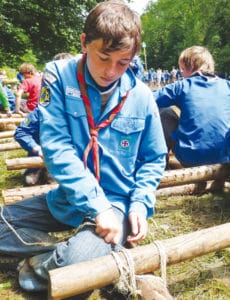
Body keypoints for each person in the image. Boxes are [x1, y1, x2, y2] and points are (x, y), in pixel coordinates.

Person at [0, 1, 167, 298]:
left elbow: (153, 158)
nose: (111, 71)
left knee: (76, 267)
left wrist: (140, 203)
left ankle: (46, 264)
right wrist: (95, 204)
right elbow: (56, 146)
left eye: (123, 62)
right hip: (68, 198)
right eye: (104, 57)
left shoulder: (141, 96)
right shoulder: (59, 76)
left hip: (116, 204)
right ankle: (65, 253)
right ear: (84, 43)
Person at [153, 45, 230, 167]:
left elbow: (150, 99)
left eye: (182, 70)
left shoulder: (183, 85)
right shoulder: (227, 85)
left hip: (190, 158)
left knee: (166, 112)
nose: (182, 75)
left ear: (192, 66)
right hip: (224, 157)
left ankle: (160, 164)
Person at [14, 53, 74, 186]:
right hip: (42, 156)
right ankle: (38, 171)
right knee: (31, 181)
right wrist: (36, 148)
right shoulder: (44, 108)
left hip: (67, 161)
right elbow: (21, 132)